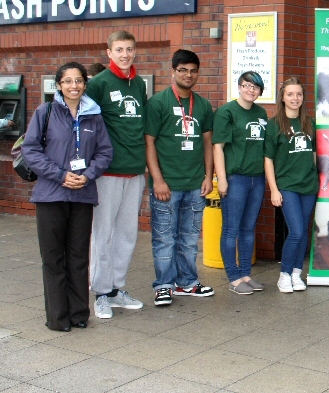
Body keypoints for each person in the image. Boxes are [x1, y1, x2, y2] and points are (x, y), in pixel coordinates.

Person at [22, 62, 113, 331]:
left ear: (85, 84)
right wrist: (60, 175)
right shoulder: (45, 112)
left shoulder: (94, 116)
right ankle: (58, 317)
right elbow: (31, 150)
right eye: (68, 81)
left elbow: (105, 152)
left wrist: (88, 175)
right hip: (51, 195)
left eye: (79, 81)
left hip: (82, 194)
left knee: (78, 257)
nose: (74, 86)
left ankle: (79, 314)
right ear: (59, 85)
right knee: (53, 258)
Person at [145, 49, 215, 306]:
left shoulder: (204, 105)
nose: (189, 75)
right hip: (167, 185)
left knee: (189, 238)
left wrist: (209, 176)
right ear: (173, 71)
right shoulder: (158, 103)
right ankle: (164, 285)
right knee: (164, 237)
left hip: (196, 184)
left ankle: (187, 282)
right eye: (183, 70)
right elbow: (149, 143)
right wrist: (158, 180)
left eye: (193, 70)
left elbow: (207, 143)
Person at [86, 30, 147, 319]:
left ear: (135, 52)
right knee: (103, 234)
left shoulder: (138, 85)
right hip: (107, 173)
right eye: (119, 49)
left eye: (129, 49)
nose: (125, 54)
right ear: (109, 53)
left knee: (127, 234)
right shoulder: (98, 84)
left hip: (134, 172)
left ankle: (116, 289)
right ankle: (100, 293)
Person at [213, 71, 268, 295]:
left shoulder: (261, 113)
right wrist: (222, 179)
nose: (250, 90)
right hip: (236, 179)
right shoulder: (227, 112)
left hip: (257, 179)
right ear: (239, 87)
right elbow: (218, 147)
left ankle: (245, 273)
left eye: (255, 87)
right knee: (231, 229)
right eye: (246, 85)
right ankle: (234, 277)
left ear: (260, 91)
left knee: (248, 228)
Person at [264, 77, 318, 293]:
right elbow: (268, 159)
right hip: (287, 185)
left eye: (299, 94)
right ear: (283, 97)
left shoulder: (309, 123)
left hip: (308, 185)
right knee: (295, 231)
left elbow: (313, 155)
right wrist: (274, 190)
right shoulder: (274, 124)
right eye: (290, 94)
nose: (295, 98)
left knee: (303, 231)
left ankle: (297, 273)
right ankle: (284, 274)